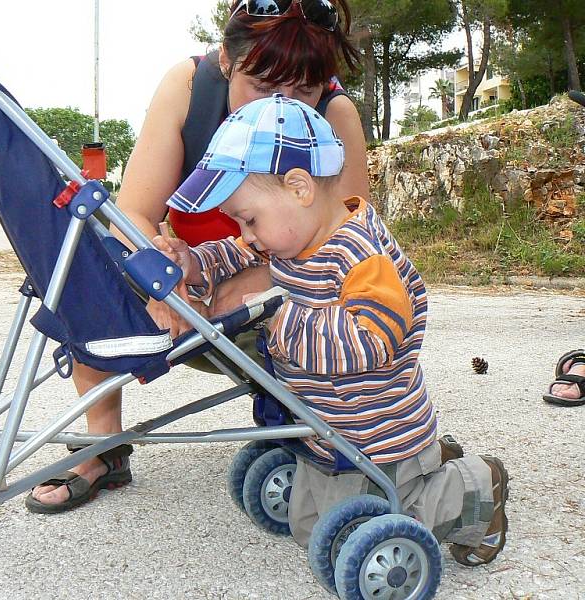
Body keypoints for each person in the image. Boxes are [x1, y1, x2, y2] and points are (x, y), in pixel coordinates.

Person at [26, 0, 370, 513]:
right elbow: (135, 213)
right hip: (188, 271)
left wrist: (236, 281)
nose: (279, 105)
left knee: (285, 291)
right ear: (227, 61)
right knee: (92, 268)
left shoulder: (336, 115)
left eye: (303, 91)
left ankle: (330, 429)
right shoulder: (187, 88)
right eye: (262, 86)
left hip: (275, 291)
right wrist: (165, 275)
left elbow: (346, 251)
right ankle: (104, 445)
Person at [154, 94, 510, 566]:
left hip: (375, 430)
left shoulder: (362, 255)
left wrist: (279, 320)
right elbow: (235, 254)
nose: (247, 233)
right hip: (327, 426)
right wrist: (194, 263)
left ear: (299, 187)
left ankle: (475, 488)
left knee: (384, 520)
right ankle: (435, 466)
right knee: (309, 528)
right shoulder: (288, 238)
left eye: (248, 217)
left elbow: (372, 339)